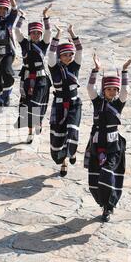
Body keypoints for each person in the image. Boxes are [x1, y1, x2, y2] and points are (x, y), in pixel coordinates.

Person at [84, 54, 131, 222]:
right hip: (96, 144)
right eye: (109, 89)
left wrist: (125, 71)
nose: (112, 92)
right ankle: (104, 203)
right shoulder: (97, 102)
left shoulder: (118, 104)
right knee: (94, 180)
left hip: (113, 147)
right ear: (104, 89)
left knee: (107, 174)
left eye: (115, 89)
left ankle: (109, 207)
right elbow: (90, 88)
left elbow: (126, 91)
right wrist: (95, 70)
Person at [14, 4, 52, 143]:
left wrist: (45, 17)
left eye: (38, 33)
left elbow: (48, 32)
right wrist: (22, 16)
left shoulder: (44, 44)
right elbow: (17, 30)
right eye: (33, 32)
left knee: (36, 103)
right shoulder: (24, 44)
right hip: (27, 78)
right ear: (29, 33)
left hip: (41, 79)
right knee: (27, 104)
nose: (36, 35)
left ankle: (38, 122)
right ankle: (30, 132)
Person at [48, 24, 83, 176]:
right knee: (59, 135)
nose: (68, 57)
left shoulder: (75, 66)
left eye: (70, 54)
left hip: (75, 104)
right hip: (59, 105)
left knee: (72, 132)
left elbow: (80, 50)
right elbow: (50, 53)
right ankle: (64, 159)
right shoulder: (54, 68)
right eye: (65, 55)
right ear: (59, 56)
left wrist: (72, 33)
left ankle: (68, 159)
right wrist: (58, 35)